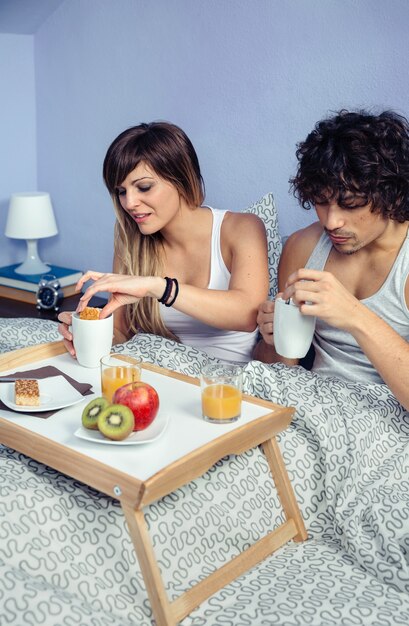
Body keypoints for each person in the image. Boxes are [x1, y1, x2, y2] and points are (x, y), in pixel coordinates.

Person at [58, 121, 269, 364]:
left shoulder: (242, 228)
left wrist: (158, 287)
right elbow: (120, 333)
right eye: (122, 191)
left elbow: (247, 313)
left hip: (224, 391)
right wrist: (87, 335)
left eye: (144, 187)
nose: (129, 203)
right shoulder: (129, 237)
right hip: (159, 381)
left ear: (181, 179)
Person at [254, 109, 409, 410]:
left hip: (385, 422)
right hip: (311, 407)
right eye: (321, 203)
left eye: (349, 204)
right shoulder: (303, 247)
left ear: (391, 195)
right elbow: (280, 371)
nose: (332, 221)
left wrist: (353, 315)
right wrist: (273, 340)